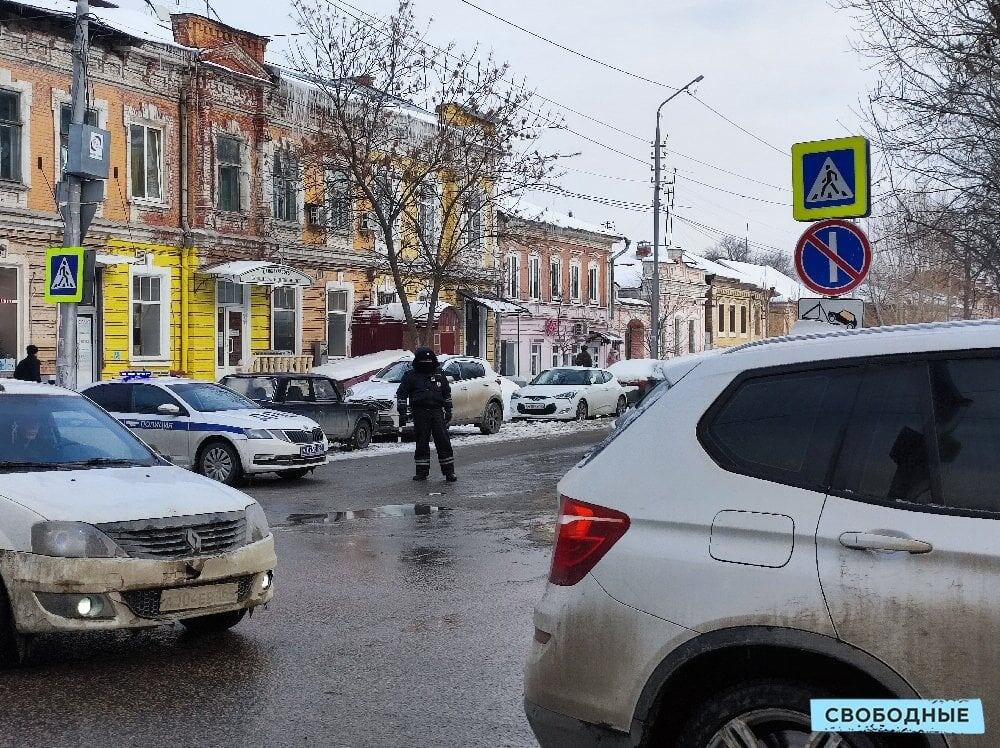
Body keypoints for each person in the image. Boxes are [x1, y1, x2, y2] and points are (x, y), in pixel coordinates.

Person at [396, 347, 456, 482]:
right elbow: (402, 394)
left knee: (443, 442)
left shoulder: (440, 374)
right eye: (424, 360)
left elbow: (446, 393)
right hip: (420, 412)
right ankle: (422, 472)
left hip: (437, 412)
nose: (427, 362)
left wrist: (449, 409)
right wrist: (402, 412)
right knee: (422, 443)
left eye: (429, 359)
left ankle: (449, 472)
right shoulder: (411, 376)